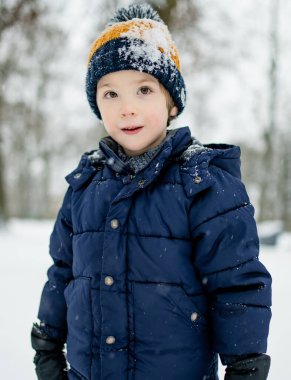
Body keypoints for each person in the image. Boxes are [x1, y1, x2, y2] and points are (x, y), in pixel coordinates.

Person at [31, 3, 272, 380]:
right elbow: (63, 271)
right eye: (111, 94)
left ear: (171, 101)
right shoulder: (84, 186)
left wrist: (245, 362)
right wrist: (47, 344)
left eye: (143, 89)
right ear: (97, 104)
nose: (127, 108)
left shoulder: (203, 183)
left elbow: (236, 282)